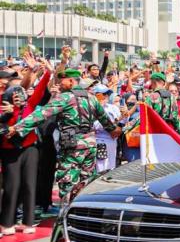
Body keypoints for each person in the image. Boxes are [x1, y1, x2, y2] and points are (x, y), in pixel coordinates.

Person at [8, 69, 122, 202]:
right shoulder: (92, 98)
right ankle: (82, 212)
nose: (60, 84)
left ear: (72, 81)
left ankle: (66, 214)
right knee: (86, 182)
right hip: (90, 145)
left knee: (68, 182)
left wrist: (17, 128)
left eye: (62, 81)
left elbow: (41, 114)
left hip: (72, 146)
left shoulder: (65, 98)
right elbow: (107, 123)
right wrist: (116, 130)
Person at [0, 61, 51, 237]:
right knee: (11, 186)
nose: (18, 96)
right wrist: (9, 112)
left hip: (30, 149)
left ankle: (28, 221)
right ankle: (7, 222)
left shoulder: (30, 104)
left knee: (30, 184)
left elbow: (42, 86)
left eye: (21, 94)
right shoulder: (4, 107)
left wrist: (47, 71)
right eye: (15, 94)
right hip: (9, 150)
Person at [92, 84, 121, 172]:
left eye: (107, 94)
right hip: (100, 140)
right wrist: (109, 124)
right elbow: (94, 126)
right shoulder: (92, 107)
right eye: (103, 94)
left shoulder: (113, 108)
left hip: (112, 140)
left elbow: (121, 122)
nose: (106, 96)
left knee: (111, 166)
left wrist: (124, 117)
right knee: (101, 167)